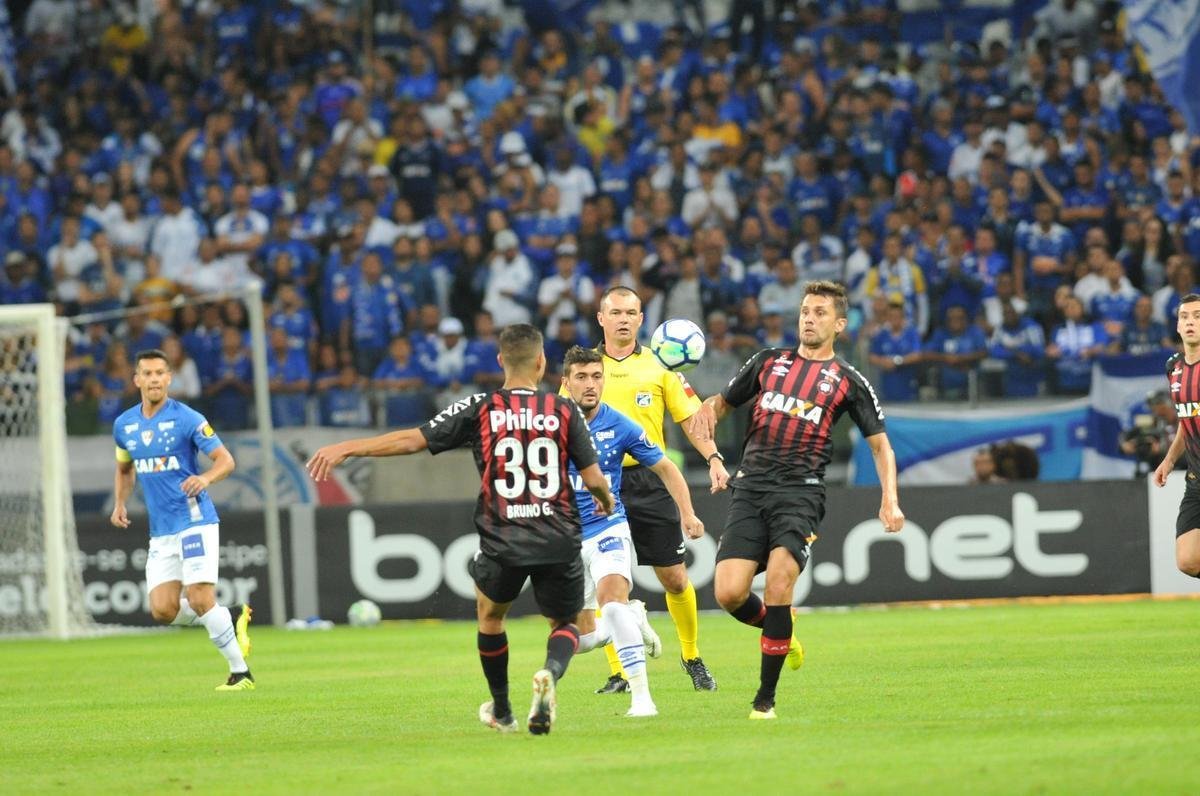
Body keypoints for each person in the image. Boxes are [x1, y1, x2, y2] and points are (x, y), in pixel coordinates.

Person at [306, 325, 615, 736]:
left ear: (500, 360)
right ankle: (549, 676)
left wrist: (348, 447)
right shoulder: (565, 410)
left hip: (502, 536)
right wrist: (605, 500)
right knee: (565, 625)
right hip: (557, 533)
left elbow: (412, 440)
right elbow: (594, 479)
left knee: (490, 619)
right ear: (542, 363)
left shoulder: (479, 406)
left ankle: (503, 710)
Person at [700, 281, 904, 719]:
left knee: (778, 585)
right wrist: (708, 430)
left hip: (800, 493)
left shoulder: (848, 381)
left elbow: (881, 446)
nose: (809, 319)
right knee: (729, 593)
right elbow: (719, 406)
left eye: (820, 312)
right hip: (750, 487)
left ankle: (764, 701)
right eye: (805, 311)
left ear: (840, 324)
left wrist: (890, 499)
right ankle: (783, 630)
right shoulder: (767, 362)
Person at [583, 286, 729, 695]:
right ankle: (619, 672)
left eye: (631, 312)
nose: (624, 319)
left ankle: (691, 655)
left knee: (675, 579)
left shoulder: (661, 366)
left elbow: (692, 420)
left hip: (651, 479)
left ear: (642, 319)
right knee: (605, 581)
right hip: (602, 481)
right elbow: (567, 428)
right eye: (616, 312)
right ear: (601, 318)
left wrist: (714, 458)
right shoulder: (585, 369)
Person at [561, 345, 706, 718]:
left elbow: (667, 468)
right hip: (566, 534)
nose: (590, 384)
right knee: (579, 639)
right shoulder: (553, 423)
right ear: (566, 383)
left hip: (609, 527)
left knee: (615, 600)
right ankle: (633, 618)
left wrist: (688, 514)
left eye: (596, 376)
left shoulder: (619, 424)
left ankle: (643, 699)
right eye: (581, 376)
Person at [110, 349, 252, 690]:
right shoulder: (124, 425)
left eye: (160, 372)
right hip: (161, 532)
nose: (155, 379)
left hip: (195, 520)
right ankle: (227, 617)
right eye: (148, 373)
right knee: (162, 610)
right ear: (137, 380)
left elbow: (225, 460)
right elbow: (124, 468)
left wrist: (204, 479)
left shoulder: (188, 418)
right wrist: (120, 503)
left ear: (169, 378)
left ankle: (240, 672)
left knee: (201, 597)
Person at [1155, 294, 1200, 578]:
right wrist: (1169, 461)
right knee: (1187, 560)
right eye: (1185, 317)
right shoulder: (1174, 367)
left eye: (1197, 316)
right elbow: (1188, 418)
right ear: (1177, 326)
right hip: (1196, 480)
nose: (1191, 322)